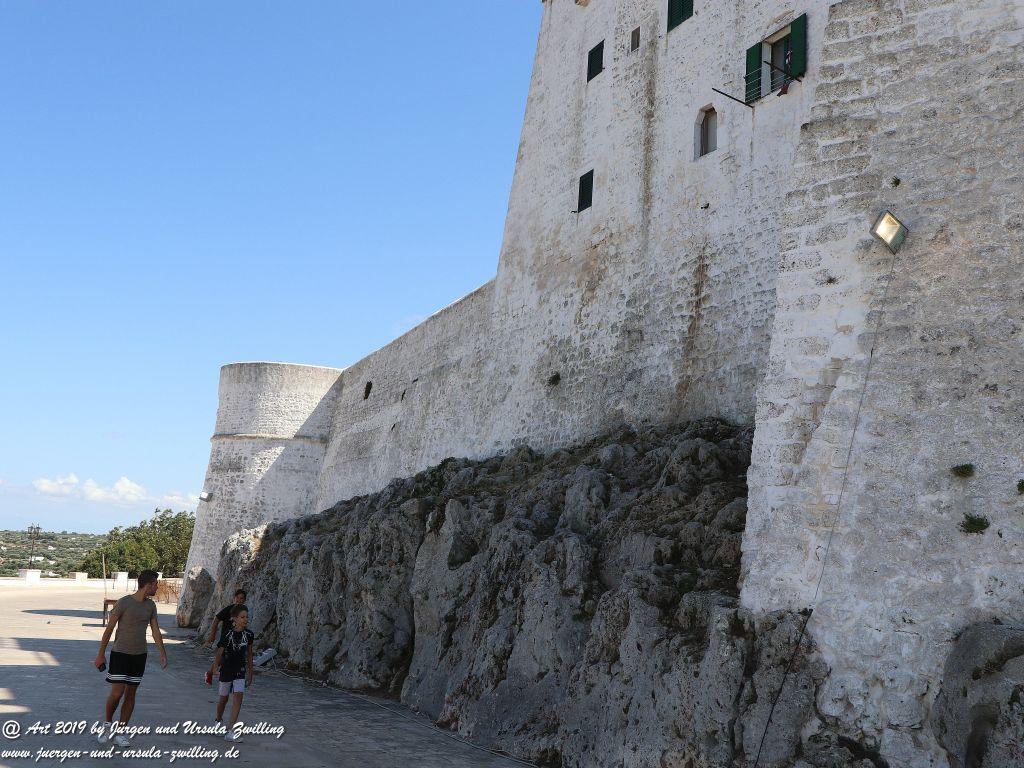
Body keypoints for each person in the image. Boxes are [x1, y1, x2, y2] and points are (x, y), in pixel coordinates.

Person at [93, 569, 167, 747]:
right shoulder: (124, 602)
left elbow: (155, 631)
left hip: (139, 655)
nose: (157, 587)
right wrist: (100, 654)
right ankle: (108, 724)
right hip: (120, 654)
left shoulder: (151, 606)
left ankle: (121, 731)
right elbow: (109, 629)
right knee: (117, 693)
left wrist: (162, 653)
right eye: (156, 584)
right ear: (148, 585)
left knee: (131, 695)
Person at [214, 605, 254, 742]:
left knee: (238, 698)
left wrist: (250, 673)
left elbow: (249, 654)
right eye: (242, 617)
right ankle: (218, 721)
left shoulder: (249, 635)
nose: (245, 619)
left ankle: (231, 730)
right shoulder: (227, 634)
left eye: (247, 617)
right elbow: (220, 651)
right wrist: (214, 667)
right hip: (226, 669)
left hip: (240, 670)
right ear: (235, 618)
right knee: (223, 699)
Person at [205, 588, 247, 685]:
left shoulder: (244, 611)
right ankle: (211, 673)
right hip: (226, 638)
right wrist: (212, 634)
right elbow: (216, 620)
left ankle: (223, 675)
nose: (239, 600)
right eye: (238, 598)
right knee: (222, 658)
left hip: (238, 638)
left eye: (242, 598)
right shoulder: (229, 609)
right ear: (235, 598)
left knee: (231, 658)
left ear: (244, 600)